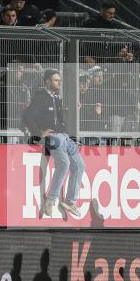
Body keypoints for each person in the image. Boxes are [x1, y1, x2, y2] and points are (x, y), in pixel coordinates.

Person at [24, 69, 86, 219]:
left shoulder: (56, 98)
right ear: (47, 81)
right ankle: (51, 200)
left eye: (59, 80)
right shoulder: (41, 97)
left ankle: (70, 201)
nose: (59, 82)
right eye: (56, 80)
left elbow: (59, 118)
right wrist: (39, 134)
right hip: (52, 137)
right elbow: (28, 116)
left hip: (64, 137)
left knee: (79, 165)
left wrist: (75, 108)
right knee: (64, 163)